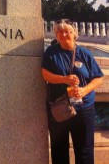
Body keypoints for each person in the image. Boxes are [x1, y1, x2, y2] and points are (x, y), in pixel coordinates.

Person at [41, 19, 104, 164]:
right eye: (59, 32)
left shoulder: (85, 53)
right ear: (56, 35)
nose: (63, 34)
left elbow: (98, 78)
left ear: (74, 33)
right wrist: (65, 79)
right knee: (59, 150)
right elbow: (45, 74)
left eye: (67, 31)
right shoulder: (51, 52)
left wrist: (84, 91)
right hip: (60, 107)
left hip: (84, 109)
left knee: (85, 151)